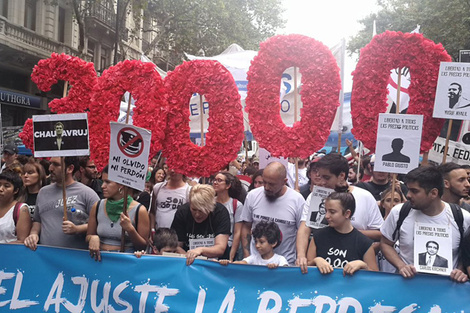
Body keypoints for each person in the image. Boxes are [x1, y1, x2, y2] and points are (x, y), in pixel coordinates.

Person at [296, 153, 383, 273]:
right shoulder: (315, 196)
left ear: (341, 175)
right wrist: (301, 256)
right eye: (320, 177)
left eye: (327, 178)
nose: (321, 182)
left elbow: (380, 234)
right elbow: (305, 228)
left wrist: (350, 234)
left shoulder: (365, 197)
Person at [380, 166, 470, 282]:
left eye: (415, 191)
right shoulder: (399, 212)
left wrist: (460, 271)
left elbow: (465, 253)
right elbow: (385, 243)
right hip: (408, 287)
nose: (408, 195)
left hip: (446, 291)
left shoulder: (462, 218)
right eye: (409, 190)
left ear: (433, 193)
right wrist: (401, 266)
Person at [24, 157, 100, 251]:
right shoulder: (43, 192)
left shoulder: (87, 193)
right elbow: (38, 221)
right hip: (46, 257)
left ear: (70, 168)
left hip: (75, 258)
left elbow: (100, 223)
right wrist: (33, 234)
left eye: (56, 165)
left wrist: (77, 229)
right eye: (51, 164)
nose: (50, 168)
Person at [241, 162, 305, 265]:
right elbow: (246, 227)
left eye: (272, 184)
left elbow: (302, 231)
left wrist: (301, 256)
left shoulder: (297, 200)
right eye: (264, 182)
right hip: (256, 265)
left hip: (284, 266)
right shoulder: (252, 196)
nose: (266, 187)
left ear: (284, 181)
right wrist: (247, 255)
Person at [306, 188, 378, 275]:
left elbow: (375, 276)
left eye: (332, 212)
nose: (326, 216)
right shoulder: (318, 236)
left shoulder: (363, 242)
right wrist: (316, 260)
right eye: (326, 211)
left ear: (347, 213)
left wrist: (363, 265)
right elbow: (306, 268)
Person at [86, 166, 149, 260]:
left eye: (108, 182)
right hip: (100, 261)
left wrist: (130, 230)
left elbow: (143, 246)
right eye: (103, 181)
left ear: (121, 185)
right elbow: (88, 236)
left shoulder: (139, 210)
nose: (102, 186)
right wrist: (92, 238)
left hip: (125, 262)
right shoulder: (97, 206)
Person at [171, 184, 231, 265]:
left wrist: (200, 250)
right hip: (189, 263)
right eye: (194, 209)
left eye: (202, 210)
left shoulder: (220, 212)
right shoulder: (182, 212)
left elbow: (220, 248)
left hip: (216, 263)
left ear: (211, 207)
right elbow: (176, 245)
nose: (197, 215)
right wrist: (189, 256)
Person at [219, 221, 288, 268]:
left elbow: (286, 271)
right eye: (256, 242)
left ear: (273, 243)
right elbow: (241, 263)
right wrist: (227, 263)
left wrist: (277, 268)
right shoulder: (254, 258)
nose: (257, 245)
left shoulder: (280, 260)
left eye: (261, 242)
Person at [212, 171, 244, 261]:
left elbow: (237, 232)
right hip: (211, 246)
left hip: (228, 246)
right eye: (214, 180)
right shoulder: (209, 203)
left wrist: (232, 254)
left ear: (228, 185)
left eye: (219, 180)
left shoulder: (236, 205)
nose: (215, 182)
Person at [0, 170, 31, 243]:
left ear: (15, 191)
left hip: (10, 252)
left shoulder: (21, 209)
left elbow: (22, 241)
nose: (1, 189)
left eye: (6, 186)